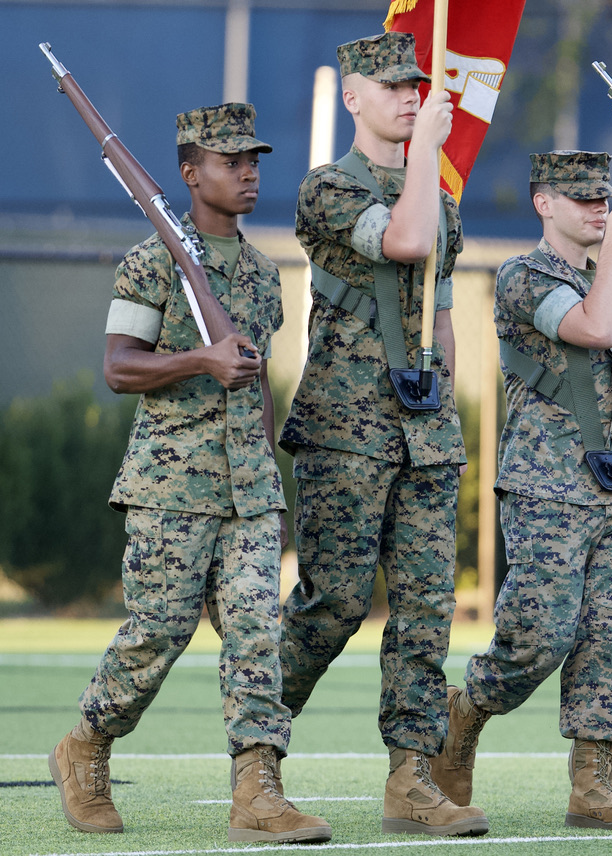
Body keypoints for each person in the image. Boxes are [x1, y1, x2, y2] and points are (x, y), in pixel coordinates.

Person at [48, 103, 331, 845]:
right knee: (160, 631)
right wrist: (201, 360)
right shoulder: (151, 262)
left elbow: (258, 382)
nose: (248, 173)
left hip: (248, 489)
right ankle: (85, 744)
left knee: (257, 635)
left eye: (253, 160)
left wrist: (270, 482)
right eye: (230, 161)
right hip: (172, 485)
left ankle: (258, 792)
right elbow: (119, 367)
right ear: (189, 173)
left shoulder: (263, 274)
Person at [276, 32, 487, 837]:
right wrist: (427, 152)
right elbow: (403, 241)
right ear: (352, 97)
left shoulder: (439, 198)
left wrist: (446, 413)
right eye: (392, 85)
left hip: (423, 433)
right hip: (346, 427)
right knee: (332, 605)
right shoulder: (328, 188)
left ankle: (411, 777)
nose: (409, 96)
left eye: (415, 86)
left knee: (426, 611)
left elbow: (440, 311)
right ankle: (257, 743)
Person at [430, 151, 612, 831]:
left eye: (603, 198)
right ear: (543, 203)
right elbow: (592, 328)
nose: (597, 208)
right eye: (581, 198)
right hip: (549, 486)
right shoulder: (522, 277)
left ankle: (593, 786)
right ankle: (465, 710)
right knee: (539, 636)